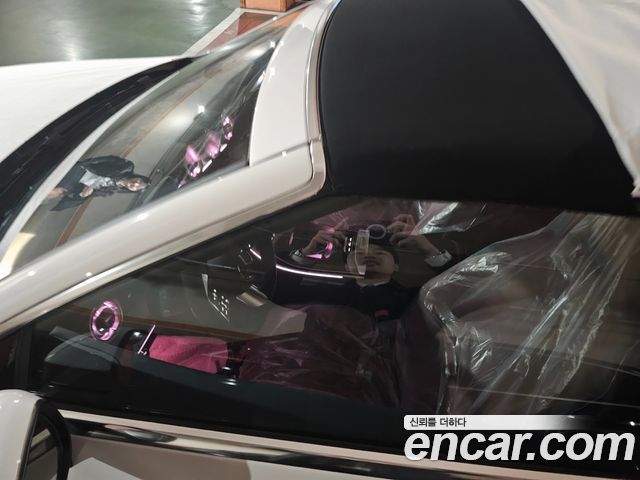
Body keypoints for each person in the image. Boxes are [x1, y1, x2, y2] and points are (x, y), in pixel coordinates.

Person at [45, 155, 150, 210]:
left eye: (137, 187)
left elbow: (90, 193)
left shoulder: (111, 190)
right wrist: (86, 163)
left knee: (60, 194)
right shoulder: (127, 167)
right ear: (139, 177)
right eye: (139, 181)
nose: (136, 184)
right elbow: (109, 159)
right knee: (56, 190)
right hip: (81, 171)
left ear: (132, 190)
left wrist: (83, 194)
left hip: (76, 184)